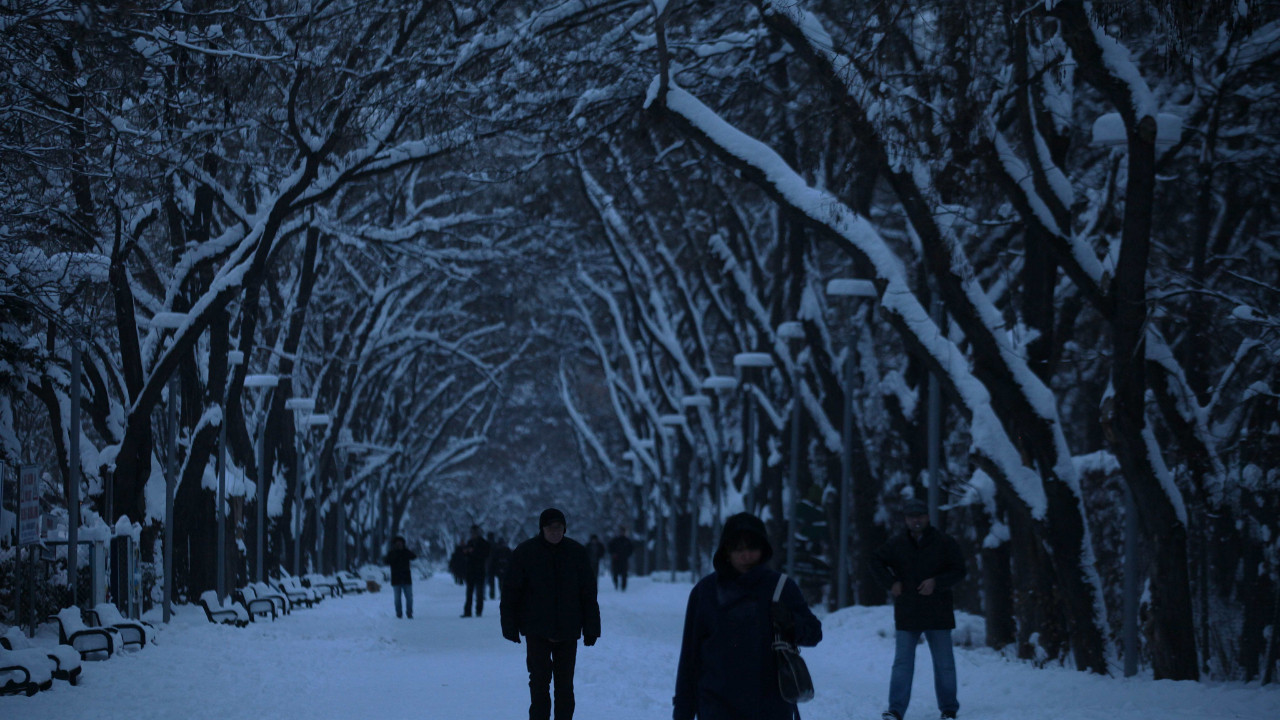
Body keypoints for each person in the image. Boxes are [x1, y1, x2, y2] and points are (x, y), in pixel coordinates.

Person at [673, 512, 822, 720]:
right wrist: (683, 711)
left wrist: (790, 623)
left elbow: (814, 633)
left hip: (770, 709)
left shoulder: (781, 587)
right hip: (717, 708)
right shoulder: (705, 592)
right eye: (738, 548)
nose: (746, 556)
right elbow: (690, 659)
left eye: (752, 547)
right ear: (726, 551)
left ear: (763, 549)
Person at [870, 498, 967, 720]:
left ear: (928, 517)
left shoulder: (944, 542)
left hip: (938, 611)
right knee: (902, 664)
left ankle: (949, 710)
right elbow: (874, 560)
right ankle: (895, 710)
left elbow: (960, 570)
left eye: (920, 515)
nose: (916, 520)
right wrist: (890, 582)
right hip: (908, 611)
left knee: (944, 665)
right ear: (905, 519)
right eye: (912, 516)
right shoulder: (896, 544)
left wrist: (937, 582)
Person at [501, 508, 600, 720]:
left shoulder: (576, 553)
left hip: (568, 629)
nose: (555, 532)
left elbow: (588, 593)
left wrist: (591, 627)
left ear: (564, 528)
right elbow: (511, 591)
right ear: (542, 529)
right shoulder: (525, 552)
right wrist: (509, 624)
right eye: (550, 527)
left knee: (565, 686)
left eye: (559, 527)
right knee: (539, 684)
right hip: (537, 630)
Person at [383, 536, 417, 619]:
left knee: (409, 598)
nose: (399, 545)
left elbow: (414, 556)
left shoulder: (406, 552)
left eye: (400, 543)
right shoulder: (391, 553)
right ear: (394, 545)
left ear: (403, 544)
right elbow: (386, 561)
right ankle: (399, 613)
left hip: (406, 579)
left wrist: (405, 551)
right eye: (397, 544)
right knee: (397, 599)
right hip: (396, 579)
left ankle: (409, 613)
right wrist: (394, 554)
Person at [462, 524, 491, 617]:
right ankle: (468, 611)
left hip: (479, 570)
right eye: (472, 533)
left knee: (479, 593)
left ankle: (478, 611)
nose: (473, 534)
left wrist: (473, 552)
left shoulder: (483, 543)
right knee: (469, 592)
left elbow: (485, 554)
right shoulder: (470, 542)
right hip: (470, 570)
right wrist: (466, 552)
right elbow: (466, 556)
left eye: (474, 533)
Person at [607, 526, 634, 591]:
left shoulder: (627, 541)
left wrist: (627, 555)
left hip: (624, 560)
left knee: (624, 574)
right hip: (616, 560)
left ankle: (623, 587)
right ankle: (616, 584)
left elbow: (631, 549)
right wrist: (613, 554)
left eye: (623, 532)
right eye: (621, 532)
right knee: (615, 573)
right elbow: (610, 548)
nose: (622, 533)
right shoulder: (615, 540)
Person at [487, 531, 501, 599]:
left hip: (489, 565)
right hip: (496, 565)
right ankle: (499, 593)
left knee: (491, 581)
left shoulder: (486, 544)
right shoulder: (496, 545)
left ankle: (492, 594)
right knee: (500, 580)